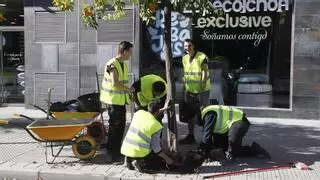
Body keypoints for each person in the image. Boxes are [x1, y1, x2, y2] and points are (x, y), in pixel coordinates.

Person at [180, 102, 271, 162]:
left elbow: (206, 136)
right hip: (230, 126)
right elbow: (210, 138)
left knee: (232, 149)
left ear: (195, 115)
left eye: (192, 121)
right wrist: (206, 152)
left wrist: (201, 152)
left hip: (239, 122)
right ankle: (250, 149)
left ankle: (242, 153)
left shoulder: (208, 114)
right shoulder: (205, 115)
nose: (194, 123)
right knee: (223, 148)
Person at [100, 41, 135, 163]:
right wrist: (129, 89)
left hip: (120, 102)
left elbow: (122, 83)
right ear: (124, 51)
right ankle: (110, 154)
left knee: (120, 128)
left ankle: (117, 152)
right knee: (114, 128)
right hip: (113, 102)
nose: (131, 55)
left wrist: (128, 95)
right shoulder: (112, 64)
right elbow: (115, 83)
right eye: (130, 52)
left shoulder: (123, 65)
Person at [121, 100, 175, 172]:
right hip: (139, 152)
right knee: (157, 160)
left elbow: (152, 113)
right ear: (157, 111)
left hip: (126, 149)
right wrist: (168, 160)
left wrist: (164, 108)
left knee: (134, 139)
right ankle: (141, 163)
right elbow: (156, 148)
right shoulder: (156, 125)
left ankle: (128, 161)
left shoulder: (138, 113)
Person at [179, 38, 211, 144]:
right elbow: (185, 75)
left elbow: (204, 75)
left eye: (189, 45)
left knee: (203, 114)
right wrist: (184, 90)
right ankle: (191, 136)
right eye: (186, 46)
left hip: (202, 91)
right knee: (190, 115)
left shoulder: (202, 57)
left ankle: (206, 139)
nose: (187, 48)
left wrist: (201, 92)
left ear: (193, 46)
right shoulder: (184, 58)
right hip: (189, 91)